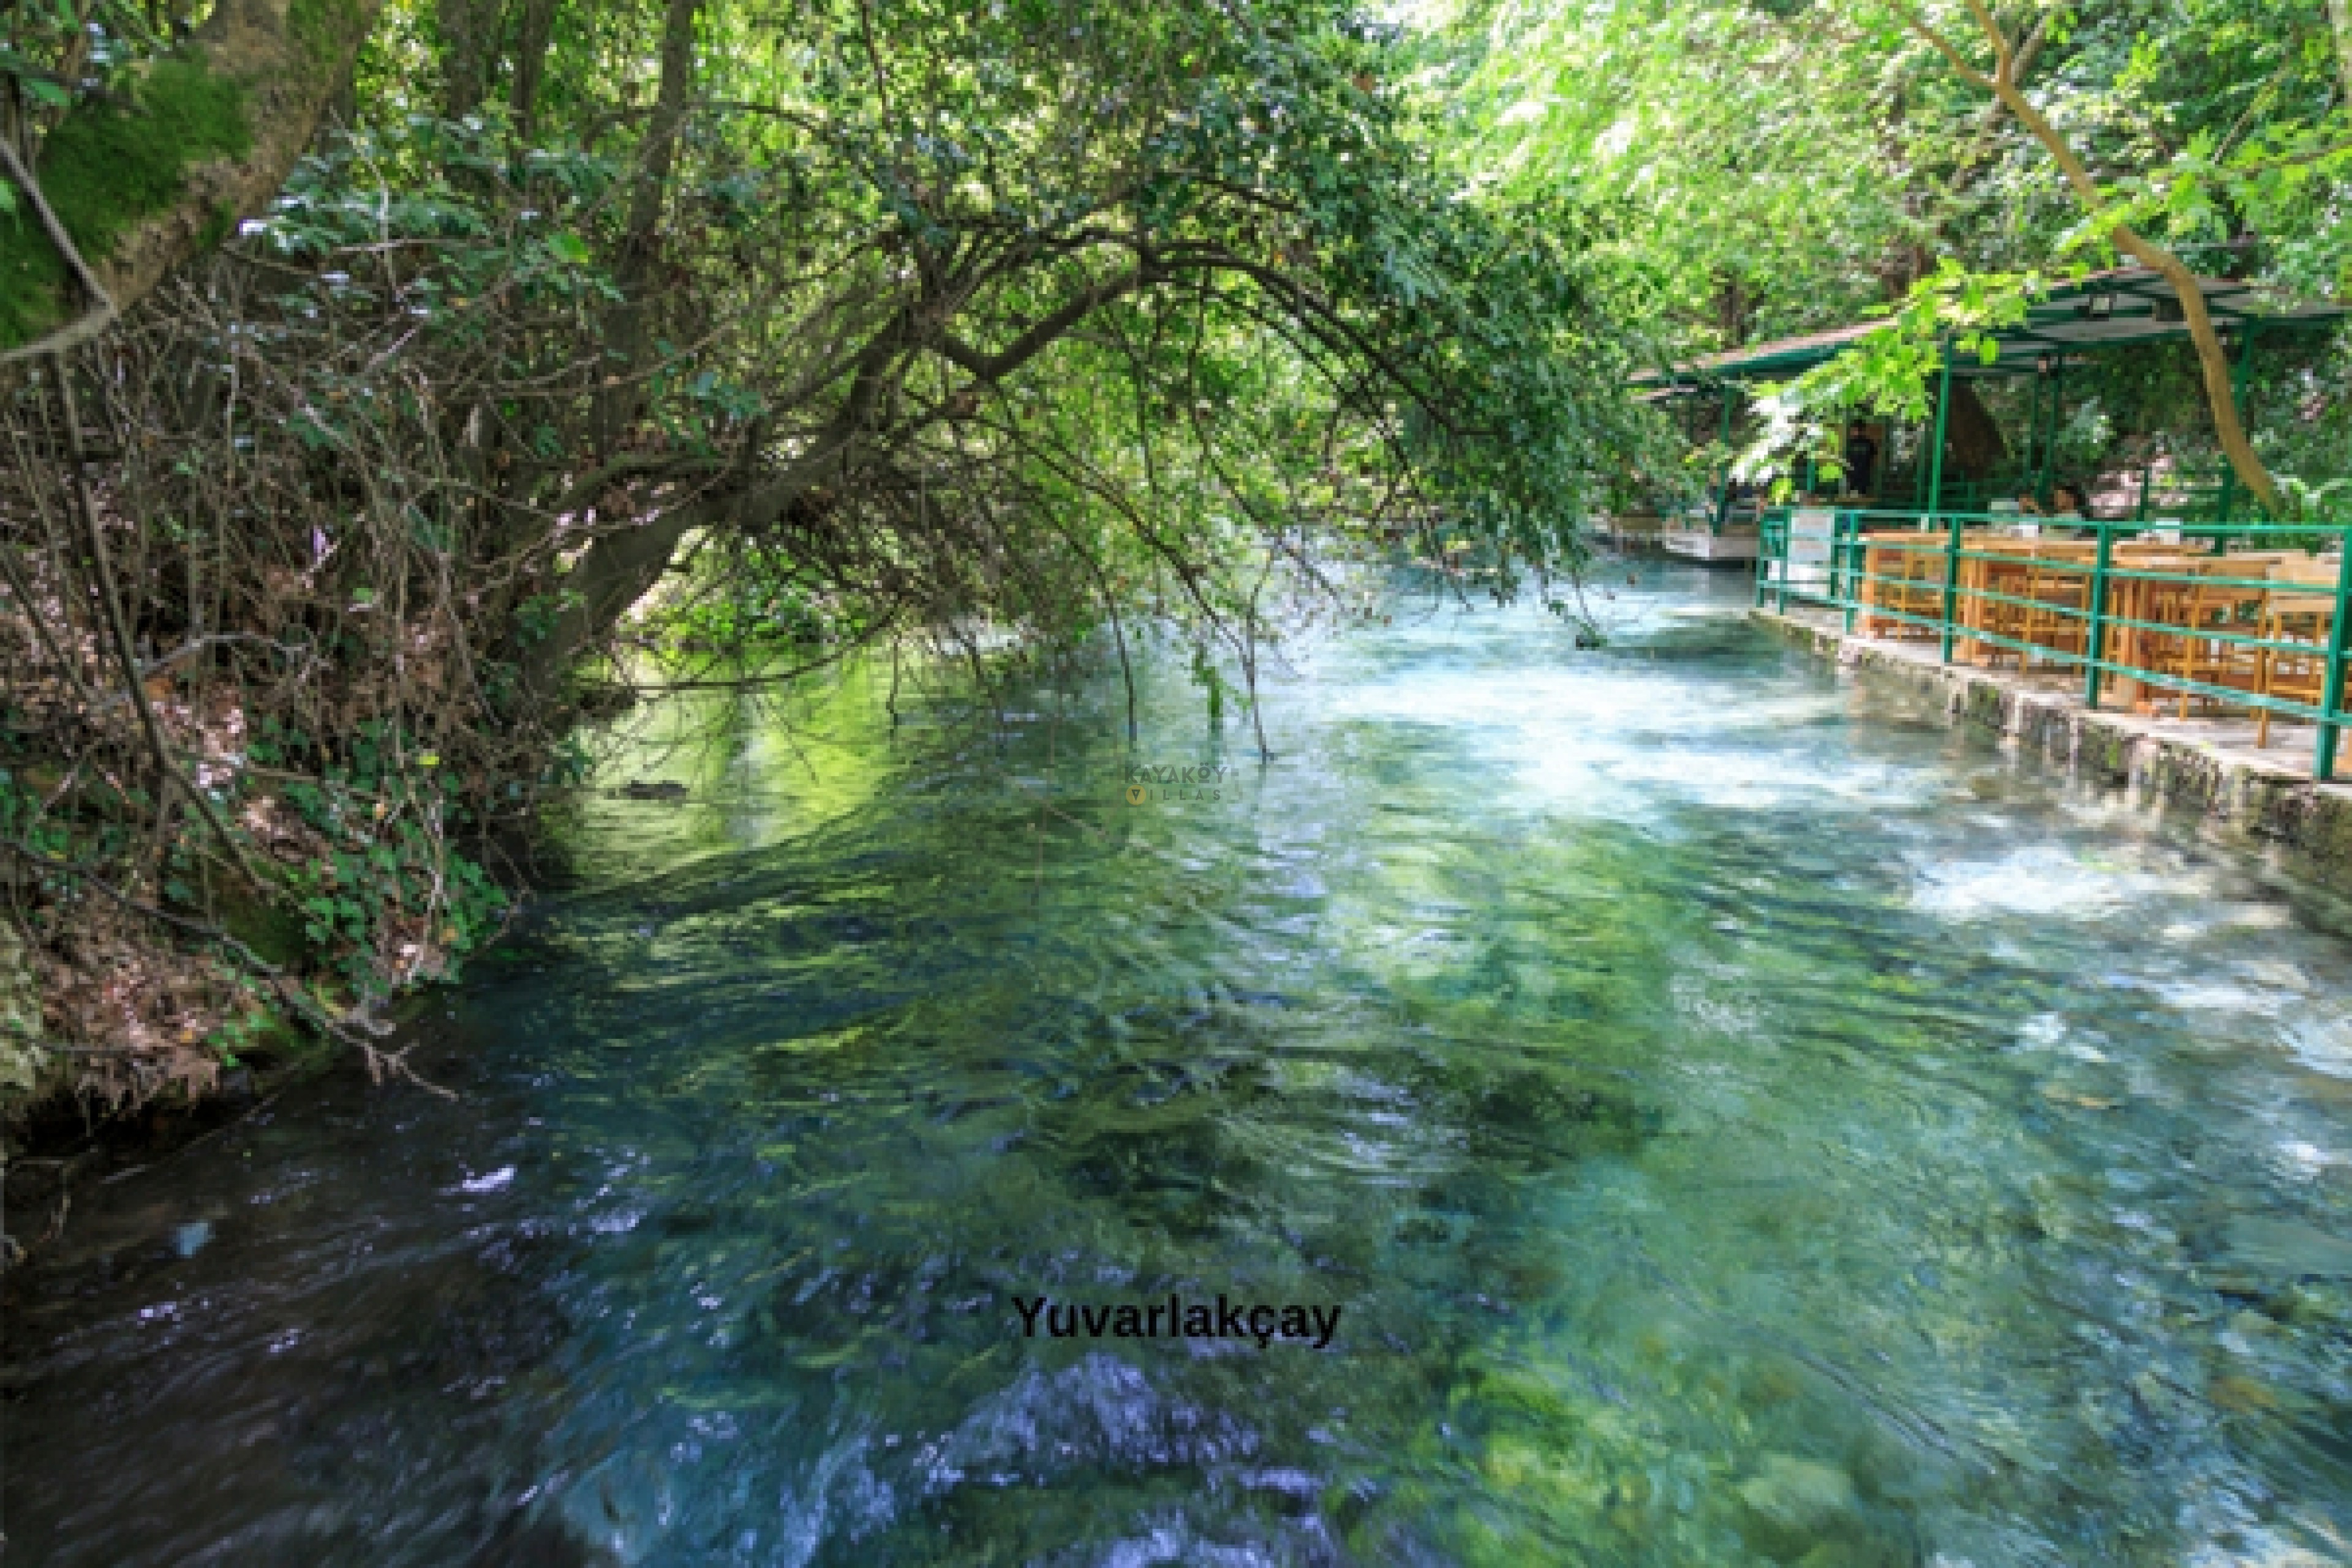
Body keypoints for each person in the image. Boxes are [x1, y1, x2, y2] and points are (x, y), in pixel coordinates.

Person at [1840, 422, 1880, 496]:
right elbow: (1874, 457)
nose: (1852, 432)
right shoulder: (1869, 443)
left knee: (1854, 494)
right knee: (1861, 494)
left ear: (1858, 430)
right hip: (1862, 474)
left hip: (1857, 474)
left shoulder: (1850, 443)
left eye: (1853, 430)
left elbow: (1846, 459)